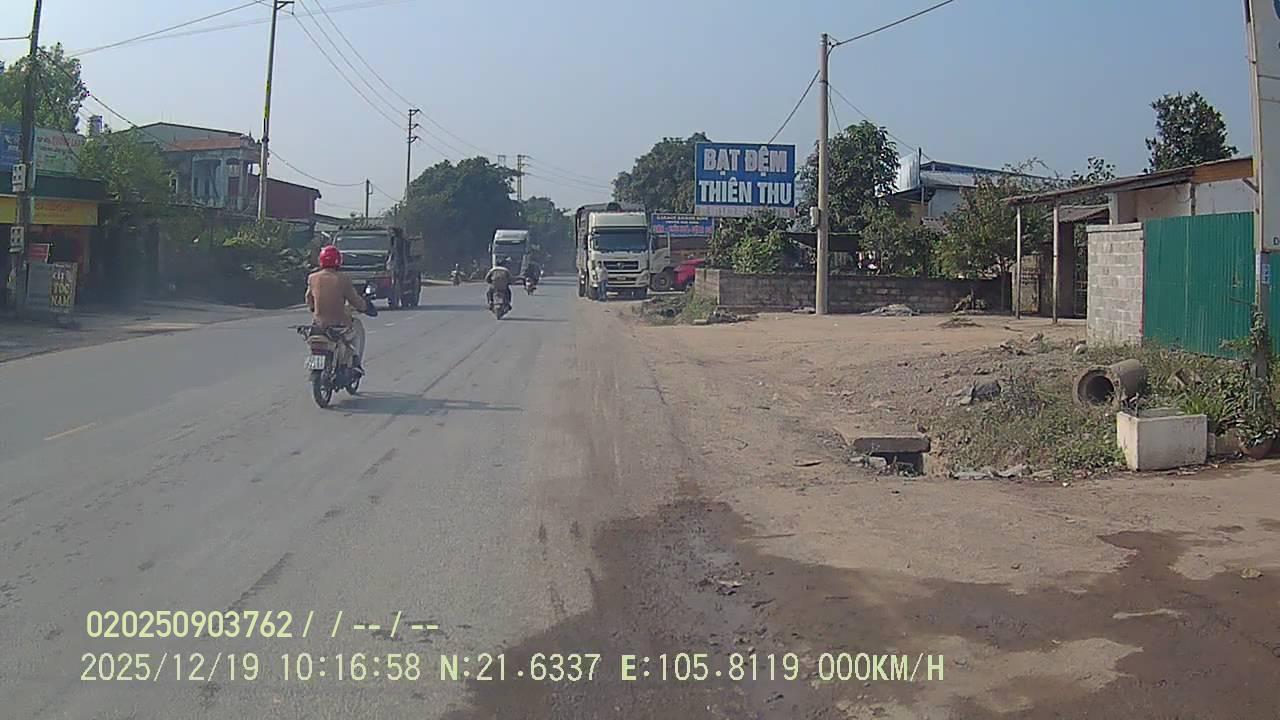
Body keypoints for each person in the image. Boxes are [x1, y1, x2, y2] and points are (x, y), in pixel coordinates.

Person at [305, 245, 371, 373]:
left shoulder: (313, 278)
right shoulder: (343, 279)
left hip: (319, 325)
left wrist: (313, 308)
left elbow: (308, 298)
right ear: (338, 260)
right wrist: (364, 306)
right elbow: (355, 300)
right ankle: (355, 362)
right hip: (339, 324)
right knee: (357, 327)